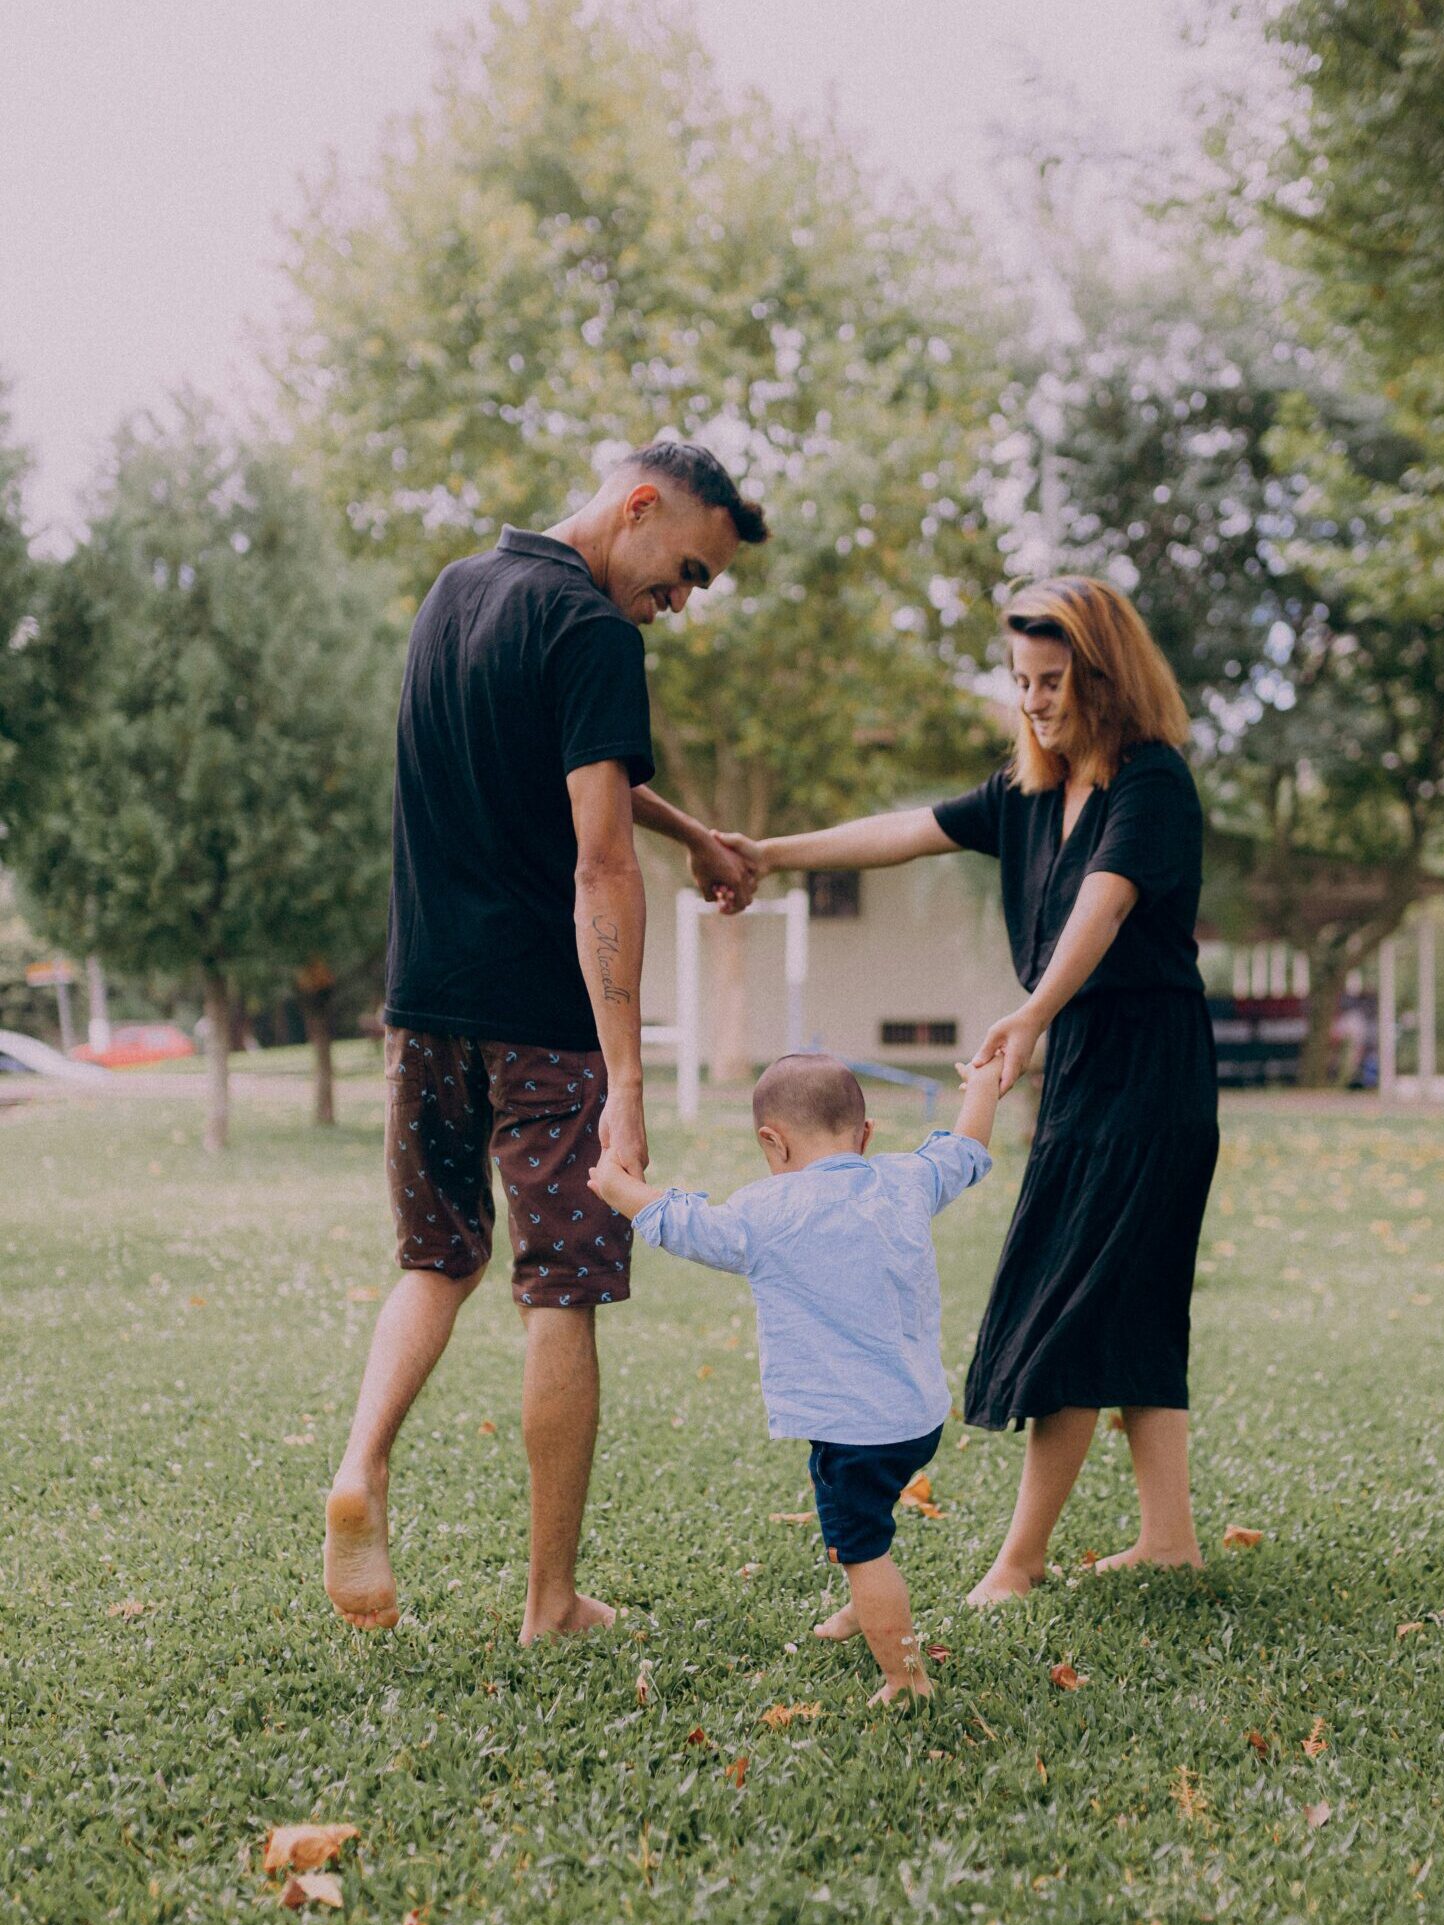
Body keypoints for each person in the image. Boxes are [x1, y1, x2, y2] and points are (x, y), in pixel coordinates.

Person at [324, 442, 768, 1642]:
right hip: (539, 1021)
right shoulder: (591, 631)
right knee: (558, 1291)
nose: (673, 605)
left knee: (437, 1260)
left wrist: (694, 834)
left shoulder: (455, 592)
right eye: (681, 573)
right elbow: (596, 857)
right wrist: (625, 1077)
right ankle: (549, 1602)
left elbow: (575, 776)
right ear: (636, 507)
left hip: (421, 1003)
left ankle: (360, 1465)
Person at [721, 576, 1218, 1603]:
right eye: (1020, 681)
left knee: (1068, 1308)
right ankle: (1167, 1539)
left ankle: (1019, 1560)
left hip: (1147, 1070)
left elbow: (1106, 903)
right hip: (1083, 1068)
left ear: (1103, 675)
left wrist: (1030, 1011)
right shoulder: (1028, 795)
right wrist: (770, 854)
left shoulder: (1149, 783)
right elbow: (900, 832)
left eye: (1052, 680)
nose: (1033, 701)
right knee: (1128, 1300)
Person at [589, 1052, 1002, 1702]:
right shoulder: (906, 1179)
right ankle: (860, 1611)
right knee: (856, 1511)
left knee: (864, 1545)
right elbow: (965, 1147)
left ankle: (905, 1675)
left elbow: (688, 1226)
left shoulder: (767, 1211)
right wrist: (982, 1086)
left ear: (771, 1142)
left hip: (853, 1428)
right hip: (916, 1414)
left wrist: (618, 1189)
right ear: (865, 1135)